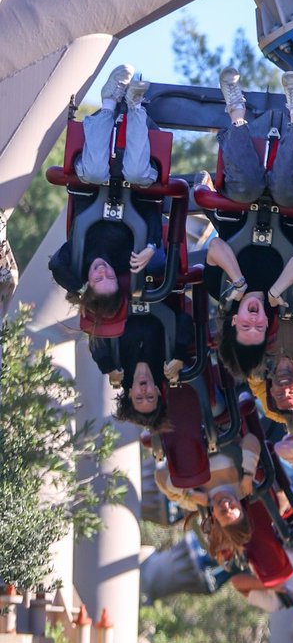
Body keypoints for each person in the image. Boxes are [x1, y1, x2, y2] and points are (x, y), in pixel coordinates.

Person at [205, 67, 293, 379]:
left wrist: (238, 279)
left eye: (245, 326)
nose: (253, 321)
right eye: (259, 328)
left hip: (244, 201)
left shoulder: (219, 289)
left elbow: (215, 247)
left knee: (247, 188)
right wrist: (277, 289)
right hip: (289, 206)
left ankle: (236, 111)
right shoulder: (286, 299)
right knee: (282, 187)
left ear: (233, 321)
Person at [48, 64, 165, 324]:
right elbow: (148, 214)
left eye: (97, 279)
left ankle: (109, 101)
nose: (103, 271)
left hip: (93, 176)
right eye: (110, 277)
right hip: (133, 181)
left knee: (92, 173)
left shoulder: (76, 256)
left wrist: (77, 290)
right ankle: (135, 105)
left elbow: (55, 266)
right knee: (135, 173)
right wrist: (150, 245)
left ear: (87, 282)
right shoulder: (126, 259)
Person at [154, 432, 261, 561]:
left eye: (223, 511)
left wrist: (188, 493)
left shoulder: (194, 502)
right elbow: (251, 439)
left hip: (181, 437)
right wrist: (249, 474)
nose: (226, 504)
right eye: (233, 507)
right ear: (240, 506)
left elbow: (160, 475)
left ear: (215, 516)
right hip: (217, 425)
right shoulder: (244, 485)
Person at [90, 305, 194, 431]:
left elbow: (95, 334)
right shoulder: (168, 366)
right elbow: (184, 320)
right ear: (157, 391)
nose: (144, 391)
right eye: (150, 396)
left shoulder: (116, 367)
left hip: (118, 299)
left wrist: (107, 366)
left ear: (130, 394)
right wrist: (179, 355)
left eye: (139, 398)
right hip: (159, 294)